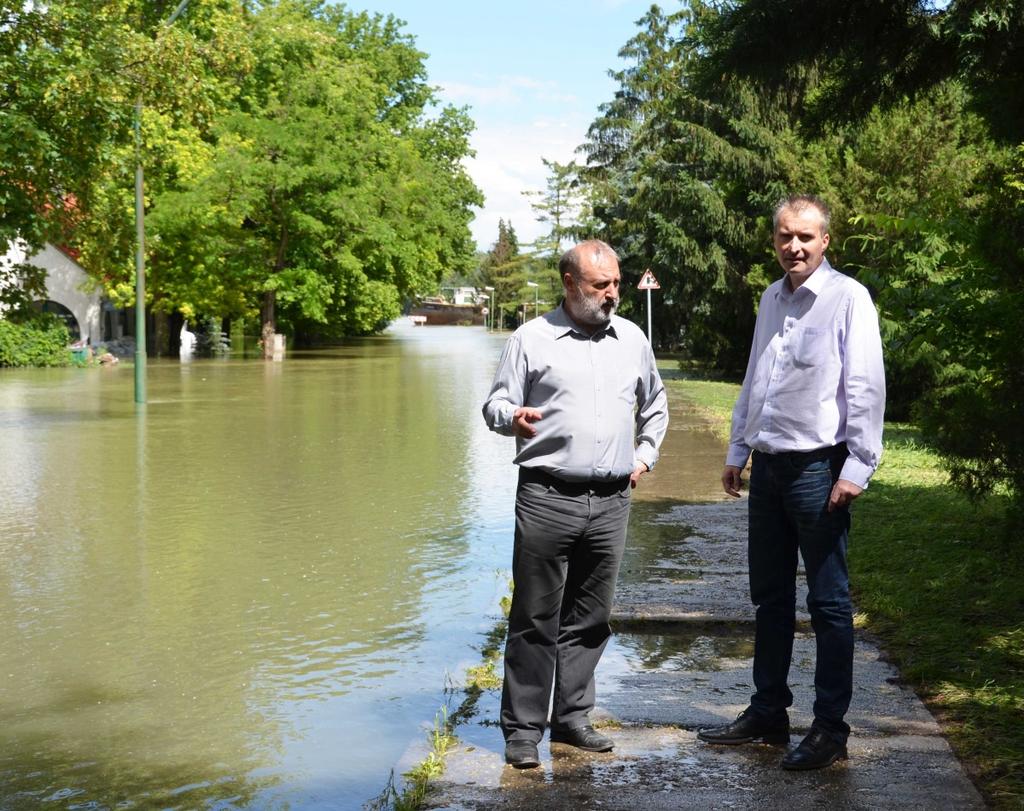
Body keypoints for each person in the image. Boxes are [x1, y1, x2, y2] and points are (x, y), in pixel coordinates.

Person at [697, 195, 885, 770]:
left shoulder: (848, 298)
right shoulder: (770, 298)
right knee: (769, 599)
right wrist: (739, 447)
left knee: (828, 604)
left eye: (805, 236)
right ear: (775, 241)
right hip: (770, 469)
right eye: (785, 237)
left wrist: (857, 467)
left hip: (818, 470)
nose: (794, 247)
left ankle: (830, 728)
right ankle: (769, 712)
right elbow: (758, 377)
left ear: (825, 240)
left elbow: (866, 384)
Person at [482, 240, 669, 769]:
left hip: (612, 501)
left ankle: (572, 719)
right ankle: (523, 731)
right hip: (546, 496)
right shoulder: (531, 338)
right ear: (569, 284)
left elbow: (655, 404)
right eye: (599, 285)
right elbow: (494, 402)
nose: (612, 293)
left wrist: (646, 455)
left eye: (615, 282)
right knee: (534, 619)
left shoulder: (631, 338)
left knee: (591, 619)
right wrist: (510, 417)